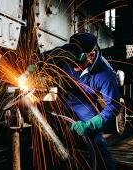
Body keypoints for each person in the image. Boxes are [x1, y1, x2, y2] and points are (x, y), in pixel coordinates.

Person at [39, 32, 120, 170]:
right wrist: (32, 68)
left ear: (91, 55)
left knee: (95, 139)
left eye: (78, 63)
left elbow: (113, 107)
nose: (74, 67)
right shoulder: (65, 51)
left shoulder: (106, 75)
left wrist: (91, 125)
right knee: (47, 130)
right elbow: (42, 57)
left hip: (83, 103)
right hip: (62, 96)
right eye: (71, 62)